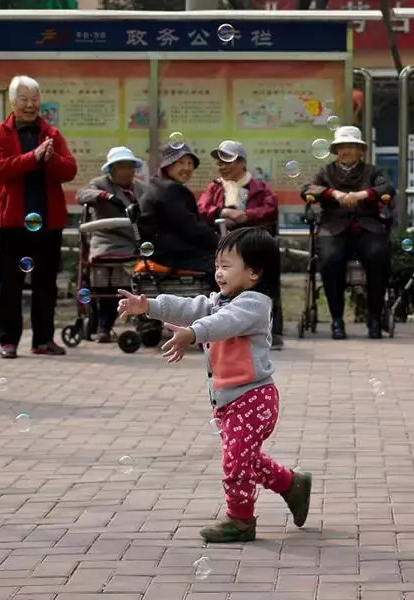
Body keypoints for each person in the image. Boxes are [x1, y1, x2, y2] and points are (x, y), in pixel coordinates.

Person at [115, 227, 311, 543]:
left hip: (254, 398)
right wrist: (147, 305)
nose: (219, 273)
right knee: (246, 459)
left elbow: (223, 323)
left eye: (228, 266)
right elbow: (188, 307)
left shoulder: (254, 304)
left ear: (254, 272)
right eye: (217, 265)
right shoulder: (218, 300)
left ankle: (241, 521)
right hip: (227, 400)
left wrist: (192, 333)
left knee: (235, 461)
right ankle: (292, 484)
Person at [0, 75, 78, 359]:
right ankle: (8, 341)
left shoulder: (52, 133)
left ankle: (43, 340)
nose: (30, 105)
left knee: (46, 283)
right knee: (10, 285)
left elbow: (70, 170)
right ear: (12, 103)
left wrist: (51, 160)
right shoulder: (0, 133)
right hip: (12, 222)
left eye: (34, 99)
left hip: (48, 222)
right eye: (24, 99)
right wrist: (33, 158)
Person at [301, 125, 394, 340]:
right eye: (342, 147)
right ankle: (336, 319)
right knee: (331, 260)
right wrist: (335, 194)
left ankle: (374, 317)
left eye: (351, 147)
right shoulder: (326, 172)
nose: (346, 151)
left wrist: (362, 194)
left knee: (377, 256)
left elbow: (387, 189)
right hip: (333, 228)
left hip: (367, 227)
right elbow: (306, 189)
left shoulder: (373, 171)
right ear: (336, 150)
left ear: (360, 150)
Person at [197, 141, 284, 350]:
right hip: (222, 244)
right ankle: (215, 328)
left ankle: (274, 330)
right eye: (219, 162)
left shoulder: (259, 187)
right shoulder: (214, 187)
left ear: (242, 162)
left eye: (227, 161)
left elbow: (270, 209)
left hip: (252, 245)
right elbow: (201, 209)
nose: (222, 166)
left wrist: (246, 216)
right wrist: (221, 212)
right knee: (216, 279)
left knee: (266, 279)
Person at [76, 146, 146, 343]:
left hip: (134, 242)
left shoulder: (140, 188)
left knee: (130, 279)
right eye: (121, 166)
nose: (127, 171)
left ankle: (135, 323)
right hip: (106, 241)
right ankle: (102, 326)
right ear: (111, 169)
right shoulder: (99, 184)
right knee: (107, 282)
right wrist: (106, 197)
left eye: (130, 166)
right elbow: (81, 195)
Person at [137, 143, 218, 281]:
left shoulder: (156, 185)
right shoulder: (172, 190)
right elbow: (190, 227)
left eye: (190, 163)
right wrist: (220, 240)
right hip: (174, 257)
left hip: (161, 253)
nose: (186, 168)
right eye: (180, 163)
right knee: (228, 268)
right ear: (168, 165)